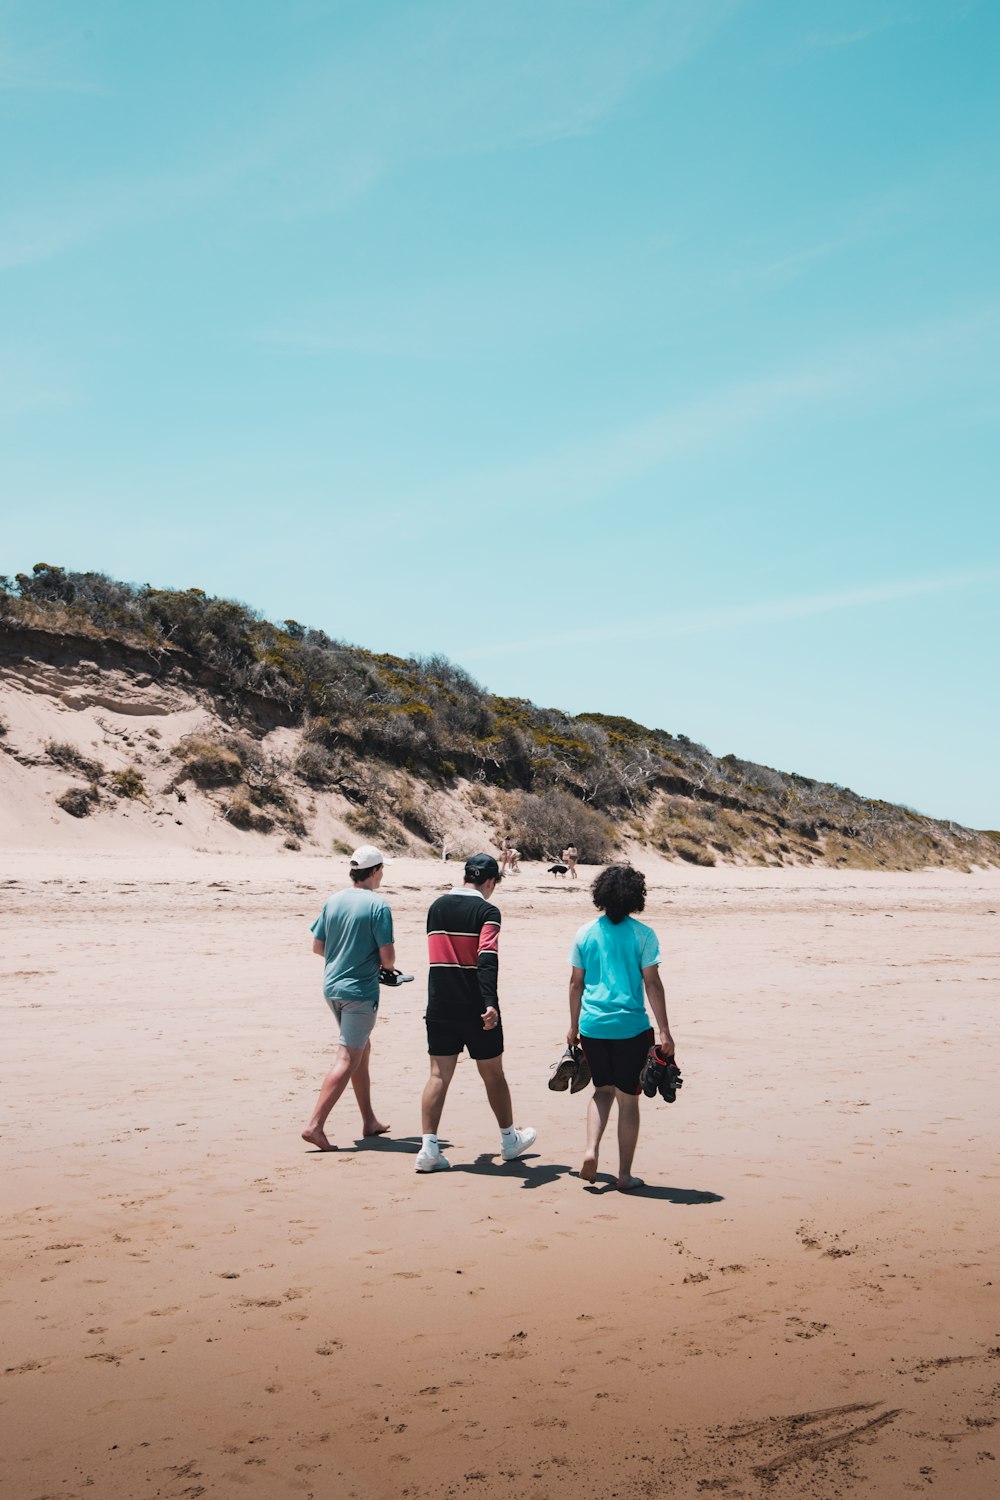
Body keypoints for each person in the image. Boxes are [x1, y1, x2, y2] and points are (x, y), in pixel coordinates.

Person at [416, 853, 536, 1173]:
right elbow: (486, 958)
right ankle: (509, 1140)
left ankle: (429, 1149)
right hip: (475, 1006)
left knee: (438, 1075)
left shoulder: (436, 908)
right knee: (493, 1074)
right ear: (491, 881)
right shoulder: (488, 911)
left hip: (439, 1004)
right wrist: (490, 1003)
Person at [567, 864, 674, 1191]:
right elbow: (653, 985)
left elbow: (576, 984)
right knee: (628, 1099)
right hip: (630, 1027)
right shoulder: (643, 934)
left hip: (592, 1026)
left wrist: (573, 1027)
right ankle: (625, 1175)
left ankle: (590, 1151)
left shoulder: (585, 933)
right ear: (635, 897)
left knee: (601, 1091)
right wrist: (665, 1031)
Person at [302, 844, 399, 1151]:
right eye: (382, 869)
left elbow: (318, 947)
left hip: (331, 987)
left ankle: (369, 1120)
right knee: (348, 1057)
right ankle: (314, 1126)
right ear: (374, 871)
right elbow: (388, 958)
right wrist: (383, 967)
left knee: (361, 1050)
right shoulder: (378, 905)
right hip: (359, 991)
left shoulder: (333, 900)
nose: (382, 874)